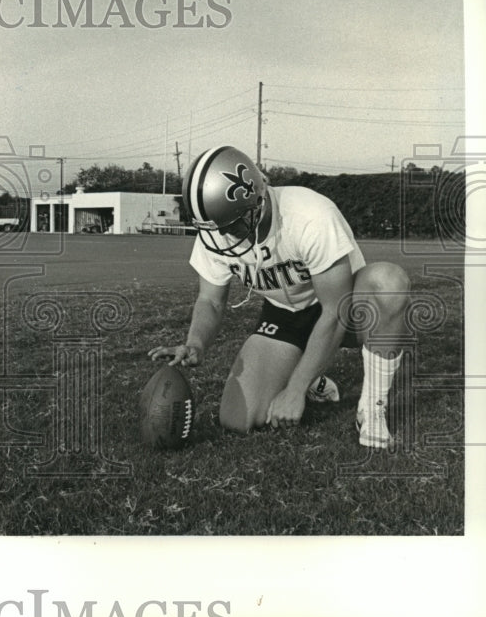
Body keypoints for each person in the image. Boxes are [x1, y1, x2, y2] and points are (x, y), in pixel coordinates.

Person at [148, 145, 409, 448]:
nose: (225, 235)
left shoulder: (310, 215)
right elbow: (210, 300)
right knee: (237, 419)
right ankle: (314, 379)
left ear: (255, 201)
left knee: (387, 282)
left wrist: (294, 390)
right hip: (285, 312)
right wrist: (195, 342)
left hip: (345, 307)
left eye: (233, 225)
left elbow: (335, 311)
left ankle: (372, 409)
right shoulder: (217, 229)